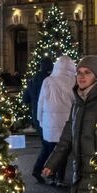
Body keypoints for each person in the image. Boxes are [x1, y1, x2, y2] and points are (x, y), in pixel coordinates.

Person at [42, 55, 97, 193]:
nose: (81, 76)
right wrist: (52, 163)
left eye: (87, 72)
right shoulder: (79, 101)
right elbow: (67, 137)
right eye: (79, 72)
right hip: (80, 169)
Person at [34, 56, 76, 185]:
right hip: (66, 122)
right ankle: (59, 178)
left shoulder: (48, 80)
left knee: (48, 149)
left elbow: (41, 102)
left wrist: (40, 119)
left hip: (49, 122)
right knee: (63, 151)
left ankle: (45, 173)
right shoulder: (74, 81)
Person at [23, 57, 53, 129]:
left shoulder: (34, 80)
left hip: (36, 114)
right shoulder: (52, 80)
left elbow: (25, 99)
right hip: (50, 115)